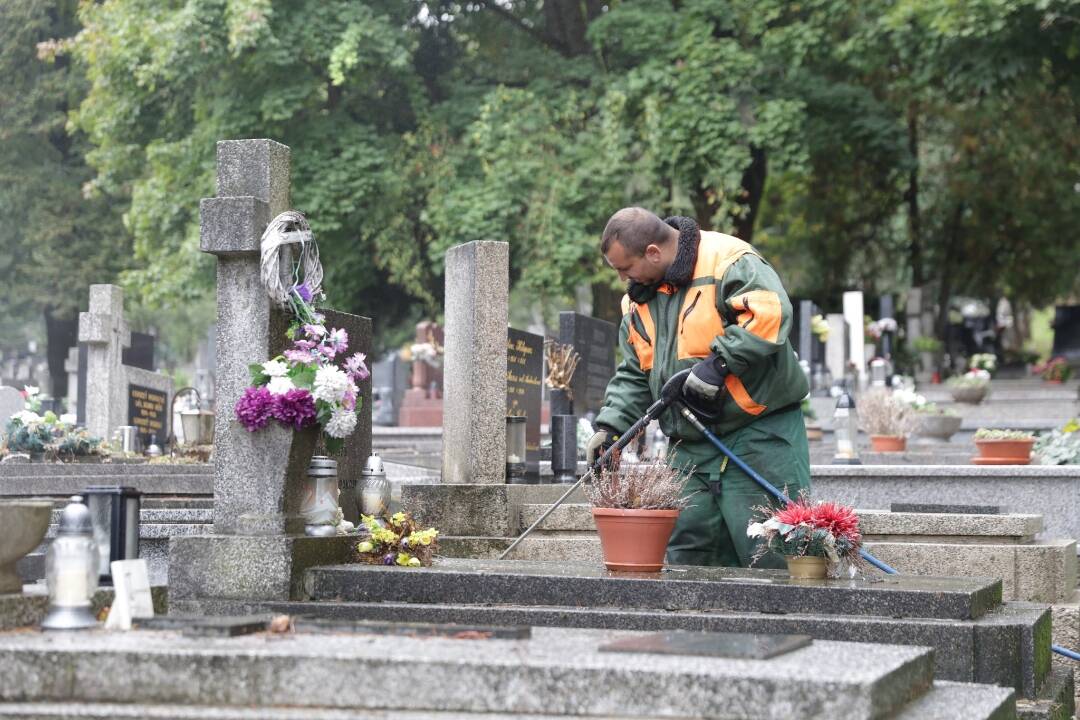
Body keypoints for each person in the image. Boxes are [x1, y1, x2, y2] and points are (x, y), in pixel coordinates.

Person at [586, 207, 809, 568]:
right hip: (690, 448)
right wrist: (610, 428)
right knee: (690, 558)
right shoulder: (636, 301)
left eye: (624, 268)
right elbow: (634, 371)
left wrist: (717, 366)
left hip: (758, 436)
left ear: (653, 253)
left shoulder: (729, 260)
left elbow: (770, 314)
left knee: (771, 554)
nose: (622, 278)